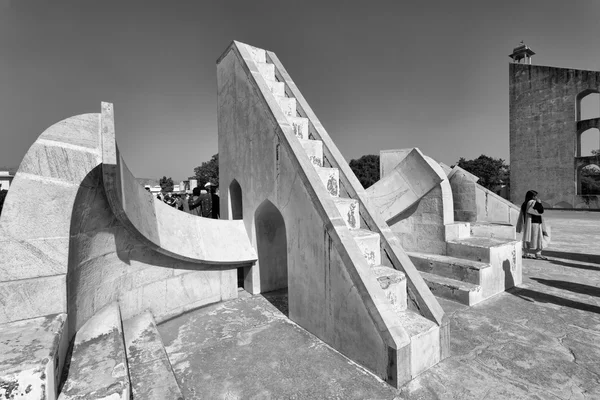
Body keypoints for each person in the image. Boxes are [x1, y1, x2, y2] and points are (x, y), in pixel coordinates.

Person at [516, 190, 549, 260]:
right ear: (532, 196)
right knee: (538, 239)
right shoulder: (532, 202)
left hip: (528, 223)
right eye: (535, 196)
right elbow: (541, 210)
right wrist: (539, 203)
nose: (536, 197)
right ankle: (538, 254)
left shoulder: (524, 203)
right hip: (535, 223)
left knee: (528, 238)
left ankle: (526, 253)